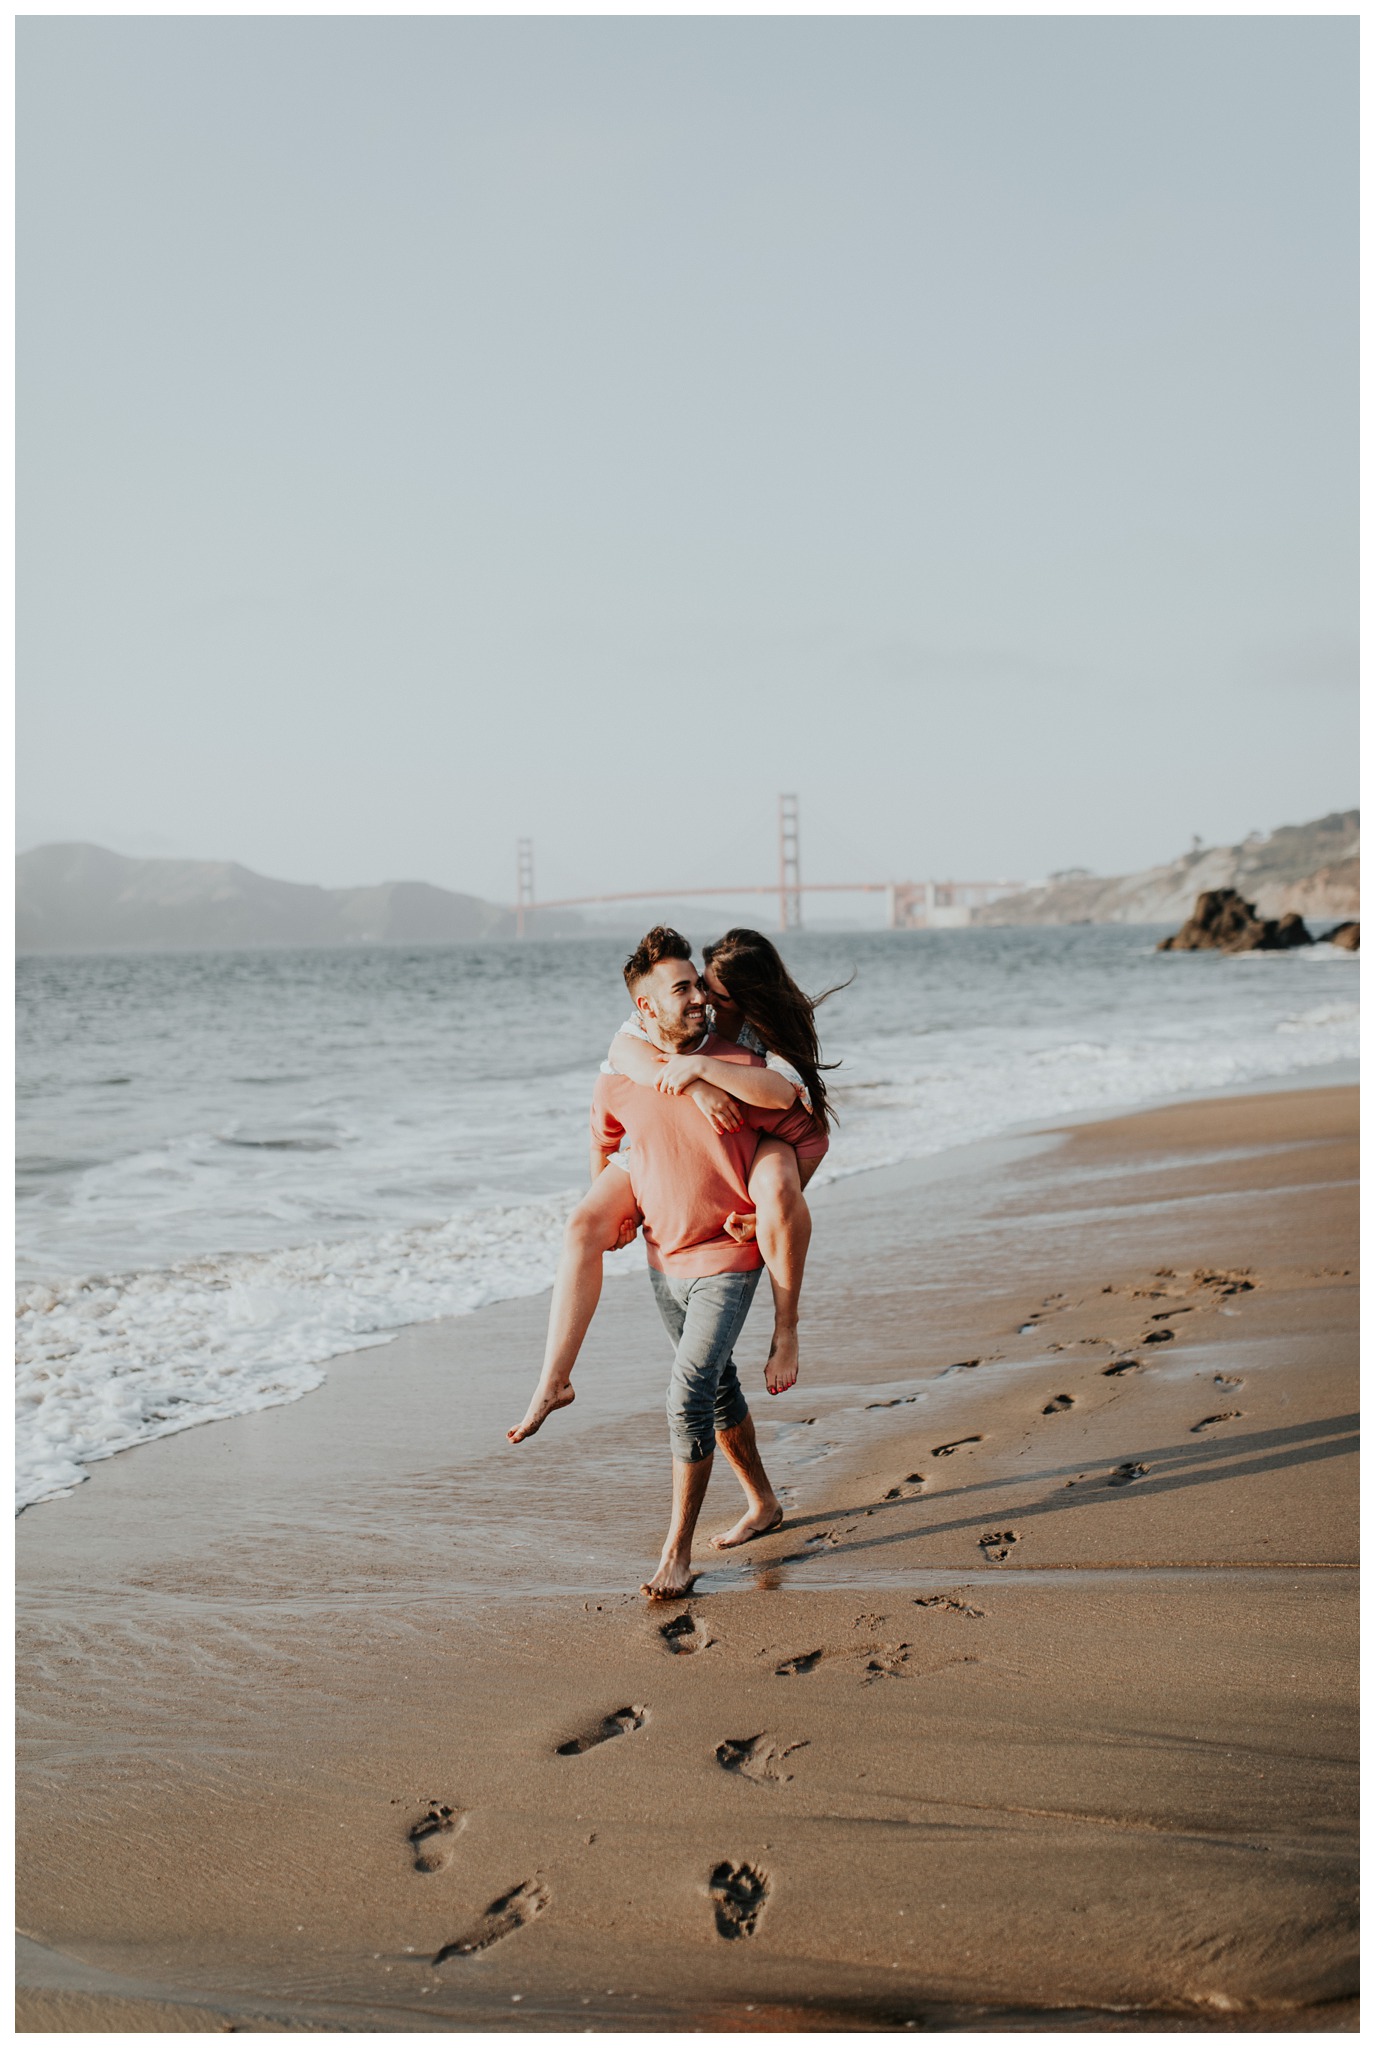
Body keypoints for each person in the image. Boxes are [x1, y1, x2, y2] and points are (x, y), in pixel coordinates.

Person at [508, 926, 824, 1599]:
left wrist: (713, 1081)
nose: (704, 1002)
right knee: (711, 1387)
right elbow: (606, 1132)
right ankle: (762, 1502)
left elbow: (804, 1122)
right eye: (689, 989)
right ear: (649, 1006)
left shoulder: (746, 1057)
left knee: (687, 1393)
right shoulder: (627, 1058)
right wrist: (615, 1203)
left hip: (730, 1252)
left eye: (710, 992)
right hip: (665, 1251)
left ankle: (675, 1552)